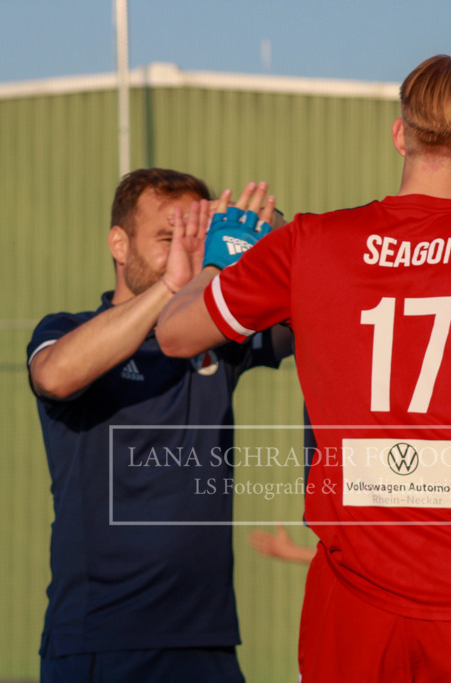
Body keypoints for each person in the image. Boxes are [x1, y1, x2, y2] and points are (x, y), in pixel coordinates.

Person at [156, 55, 451, 682]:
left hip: (350, 601)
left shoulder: (309, 243)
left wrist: (218, 264)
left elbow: (175, 332)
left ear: (400, 133)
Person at [27, 169, 290, 682]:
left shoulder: (215, 340)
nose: (183, 253)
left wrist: (270, 230)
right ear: (118, 245)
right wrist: (176, 284)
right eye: (167, 239)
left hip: (205, 642)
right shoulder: (67, 329)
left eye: (193, 239)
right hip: (101, 640)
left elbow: (311, 312)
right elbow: (55, 376)